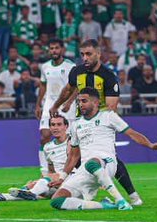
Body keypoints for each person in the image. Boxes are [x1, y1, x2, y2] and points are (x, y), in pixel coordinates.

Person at [49, 39, 142, 206]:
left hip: (102, 124)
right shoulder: (76, 72)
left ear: (98, 54)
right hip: (80, 121)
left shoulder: (108, 77)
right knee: (77, 156)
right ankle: (88, 192)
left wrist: (102, 122)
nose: (85, 58)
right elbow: (69, 89)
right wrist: (56, 105)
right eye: (82, 54)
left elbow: (112, 105)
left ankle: (132, 196)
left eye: (89, 54)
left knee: (109, 159)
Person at [50, 88, 157, 211]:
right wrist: (62, 177)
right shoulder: (76, 125)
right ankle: (105, 206)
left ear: (96, 102)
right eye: (78, 101)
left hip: (107, 163)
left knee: (92, 162)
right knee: (57, 201)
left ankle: (120, 201)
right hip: (85, 170)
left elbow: (132, 133)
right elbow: (73, 156)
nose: (80, 104)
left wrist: (151, 145)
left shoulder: (109, 116)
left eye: (84, 101)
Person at [0, 115, 70, 202]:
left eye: (59, 124)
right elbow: (51, 171)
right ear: (49, 128)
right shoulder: (48, 147)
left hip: (72, 179)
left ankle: (29, 193)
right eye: (53, 125)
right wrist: (42, 180)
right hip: (58, 183)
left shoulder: (73, 142)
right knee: (34, 185)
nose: (55, 128)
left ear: (66, 126)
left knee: (43, 183)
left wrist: (56, 177)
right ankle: (4, 196)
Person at [35, 39, 75, 170]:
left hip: (66, 107)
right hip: (49, 105)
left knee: (69, 140)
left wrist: (69, 102)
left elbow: (77, 87)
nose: (54, 51)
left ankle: (67, 168)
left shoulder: (70, 66)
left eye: (56, 48)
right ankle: (44, 169)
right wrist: (38, 105)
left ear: (62, 49)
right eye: (51, 48)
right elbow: (43, 85)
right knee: (45, 136)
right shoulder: (45, 66)